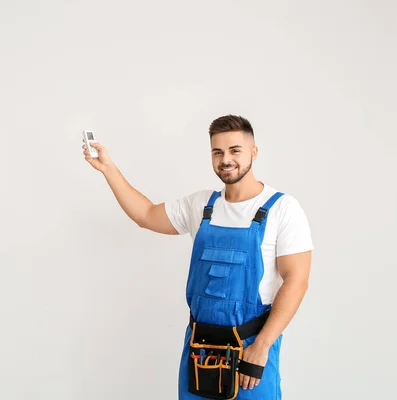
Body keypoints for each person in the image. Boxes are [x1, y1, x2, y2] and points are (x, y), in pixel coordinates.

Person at [81, 115, 313, 399]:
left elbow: (297, 281)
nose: (225, 159)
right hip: (198, 350)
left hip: (251, 348)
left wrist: (262, 346)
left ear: (254, 151)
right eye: (218, 152)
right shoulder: (202, 204)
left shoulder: (282, 209)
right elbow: (145, 215)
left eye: (235, 150)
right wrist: (108, 169)